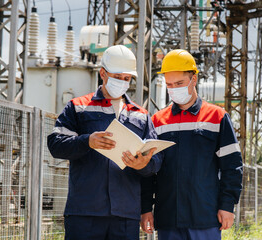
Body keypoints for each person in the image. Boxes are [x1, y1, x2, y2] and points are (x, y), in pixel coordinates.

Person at [47, 45, 162, 240]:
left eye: (127, 79)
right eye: (118, 77)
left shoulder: (141, 116)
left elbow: (157, 161)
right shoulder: (78, 107)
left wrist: (145, 164)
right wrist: (87, 141)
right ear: (103, 73)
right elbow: (56, 144)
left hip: (125, 215)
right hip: (85, 212)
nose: (123, 82)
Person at [140, 49, 243, 240]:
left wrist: (227, 205)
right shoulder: (157, 121)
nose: (174, 89)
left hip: (205, 217)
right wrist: (146, 207)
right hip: (168, 218)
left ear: (193, 79)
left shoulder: (217, 117)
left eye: (179, 83)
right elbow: (148, 172)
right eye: (170, 85)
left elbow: (232, 166)